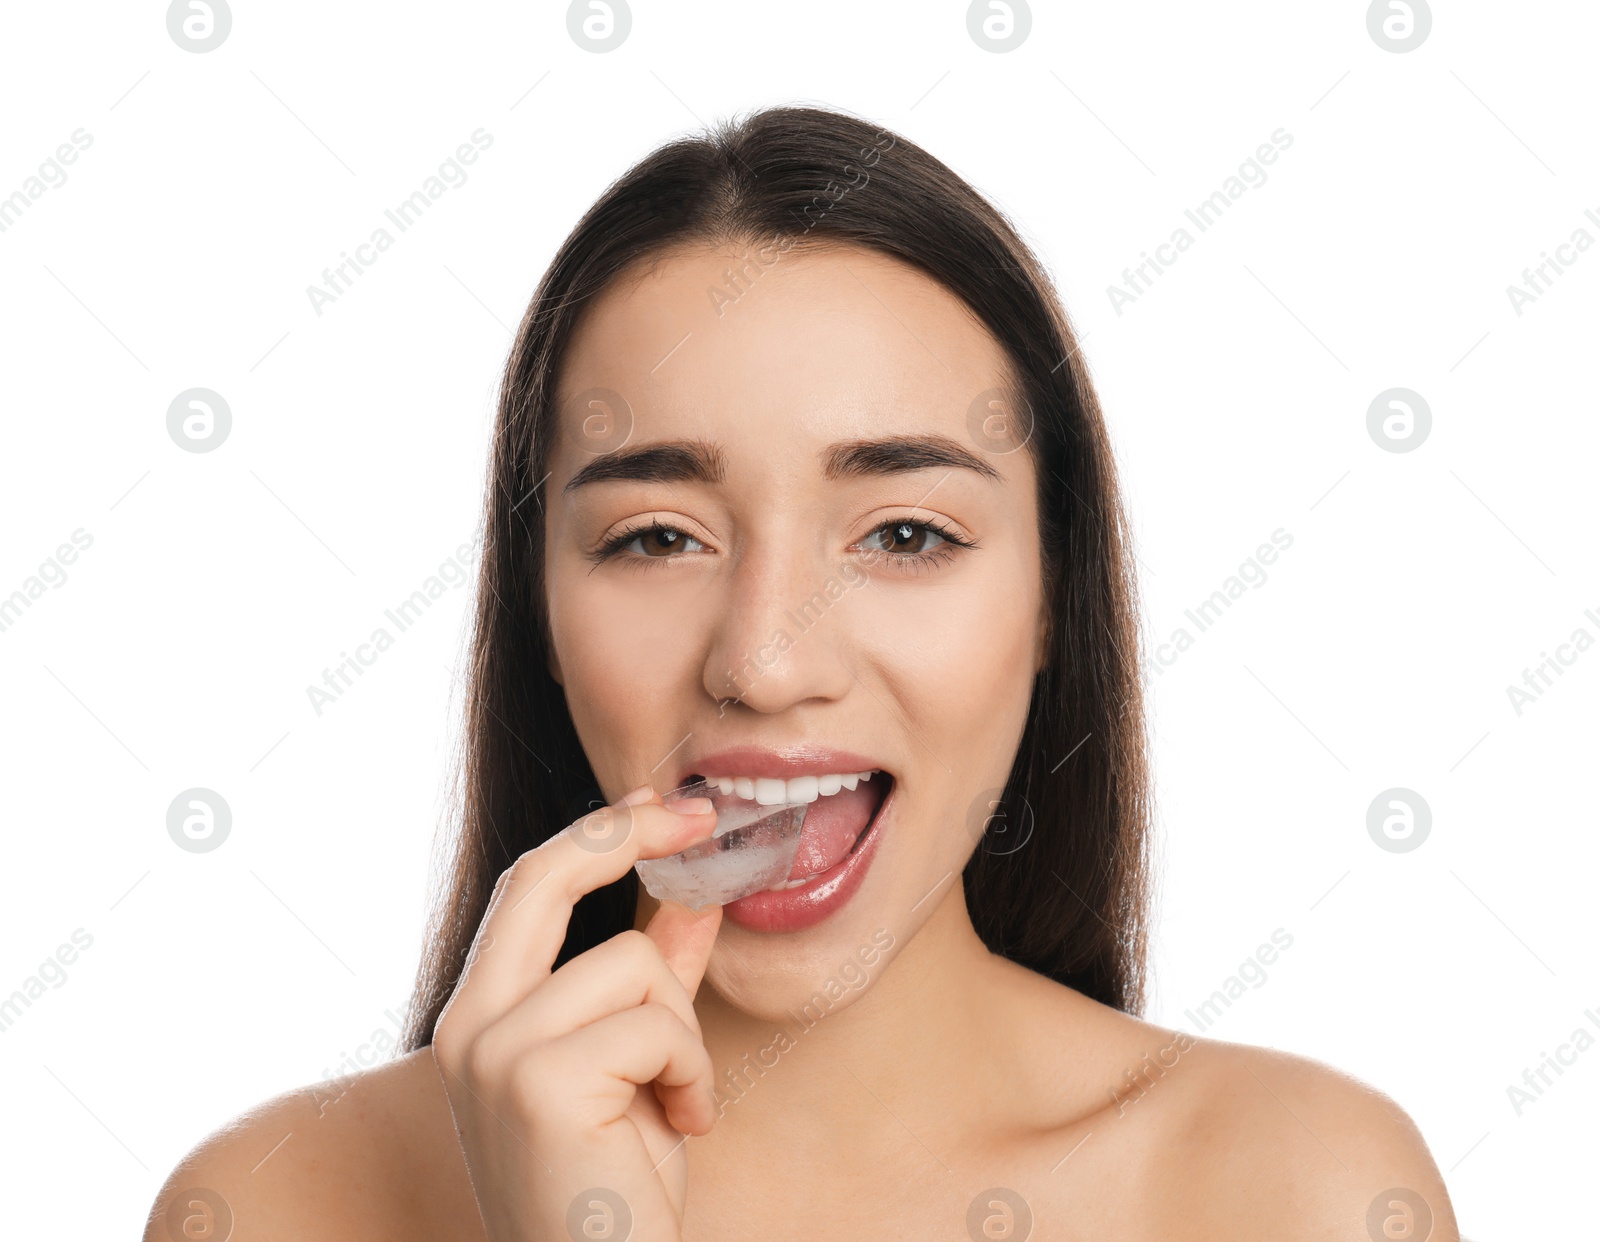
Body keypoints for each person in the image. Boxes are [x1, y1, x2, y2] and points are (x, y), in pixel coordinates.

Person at [146, 104, 1457, 1241]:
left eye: (905, 534)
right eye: (658, 537)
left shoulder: (1298, 1191)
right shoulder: (278, 1205)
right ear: (537, 608)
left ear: (1058, 600)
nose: (765, 661)